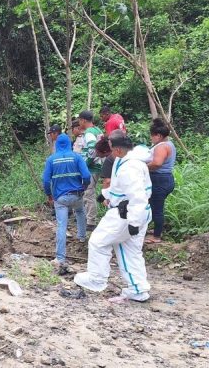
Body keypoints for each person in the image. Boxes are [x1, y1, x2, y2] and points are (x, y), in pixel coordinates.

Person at [73, 134, 152, 302]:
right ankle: (138, 288)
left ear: (117, 149)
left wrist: (134, 221)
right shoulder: (125, 161)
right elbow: (119, 186)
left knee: (98, 241)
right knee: (129, 250)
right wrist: (105, 194)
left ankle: (96, 279)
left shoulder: (129, 167)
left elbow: (137, 195)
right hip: (134, 210)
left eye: (110, 147)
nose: (108, 151)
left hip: (127, 213)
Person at [42, 133, 91, 275]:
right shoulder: (77, 157)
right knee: (80, 212)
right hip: (76, 195)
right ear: (69, 144)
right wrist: (83, 187)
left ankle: (60, 257)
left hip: (60, 198)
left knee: (62, 225)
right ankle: (82, 237)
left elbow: (46, 181)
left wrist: (49, 194)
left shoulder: (51, 160)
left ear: (57, 145)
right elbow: (87, 176)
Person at [145, 118, 176, 244]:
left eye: (152, 136)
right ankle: (156, 229)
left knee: (157, 208)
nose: (151, 139)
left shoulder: (161, 147)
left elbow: (157, 163)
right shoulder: (169, 144)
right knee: (154, 206)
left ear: (158, 135)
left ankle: (157, 236)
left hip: (159, 179)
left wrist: (142, 167)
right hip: (166, 178)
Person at [78, 110, 104, 229]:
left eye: (79, 120)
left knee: (88, 193)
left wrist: (85, 165)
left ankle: (90, 221)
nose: (79, 123)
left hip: (91, 167)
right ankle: (89, 218)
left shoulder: (88, 132)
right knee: (89, 193)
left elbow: (92, 149)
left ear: (83, 120)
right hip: (98, 165)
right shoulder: (97, 130)